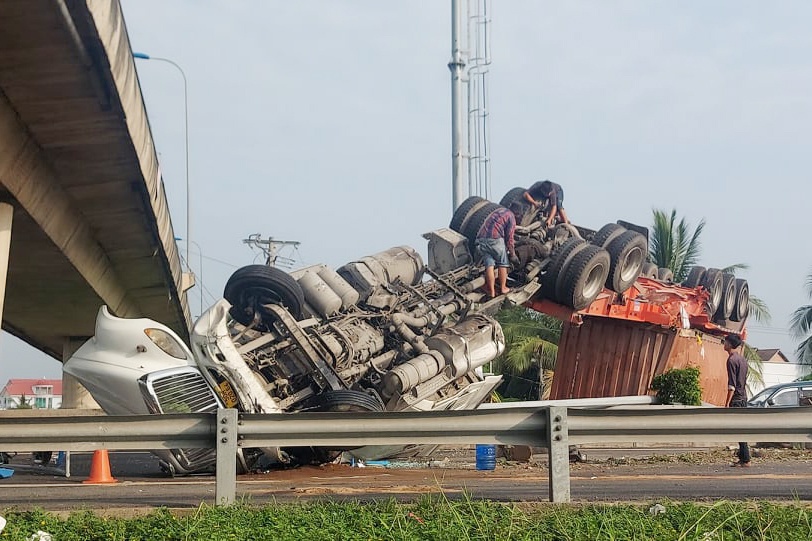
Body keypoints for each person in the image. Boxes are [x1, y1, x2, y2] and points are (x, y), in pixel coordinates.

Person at [475, 206, 518, 298]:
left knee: (489, 265)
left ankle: (492, 292)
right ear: (517, 213)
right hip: (495, 240)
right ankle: (503, 288)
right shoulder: (511, 217)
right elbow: (510, 239)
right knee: (503, 263)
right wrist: (513, 255)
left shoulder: (498, 210)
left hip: (481, 239)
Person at [724, 333, 751, 467]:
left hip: (736, 398)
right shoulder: (742, 360)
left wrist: (727, 403)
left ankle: (745, 459)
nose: (724, 344)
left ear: (729, 344)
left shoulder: (731, 360)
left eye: (725, 341)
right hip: (743, 397)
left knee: (739, 429)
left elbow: (732, 385)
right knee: (741, 428)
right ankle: (743, 457)